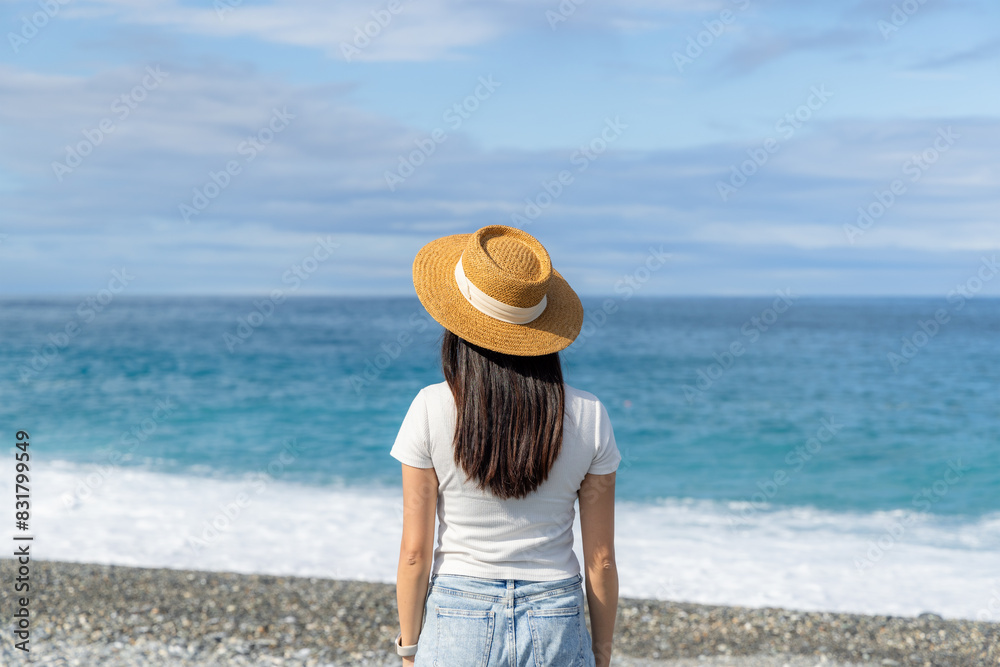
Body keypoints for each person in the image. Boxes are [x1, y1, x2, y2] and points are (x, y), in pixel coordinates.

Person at [389, 225, 621, 667]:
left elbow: (414, 552)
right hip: (556, 613)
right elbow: (602, 560)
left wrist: (409, 649)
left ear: (458, 322)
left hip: (459, 610)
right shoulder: (590, 414)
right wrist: (602, 654)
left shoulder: (429, 407)